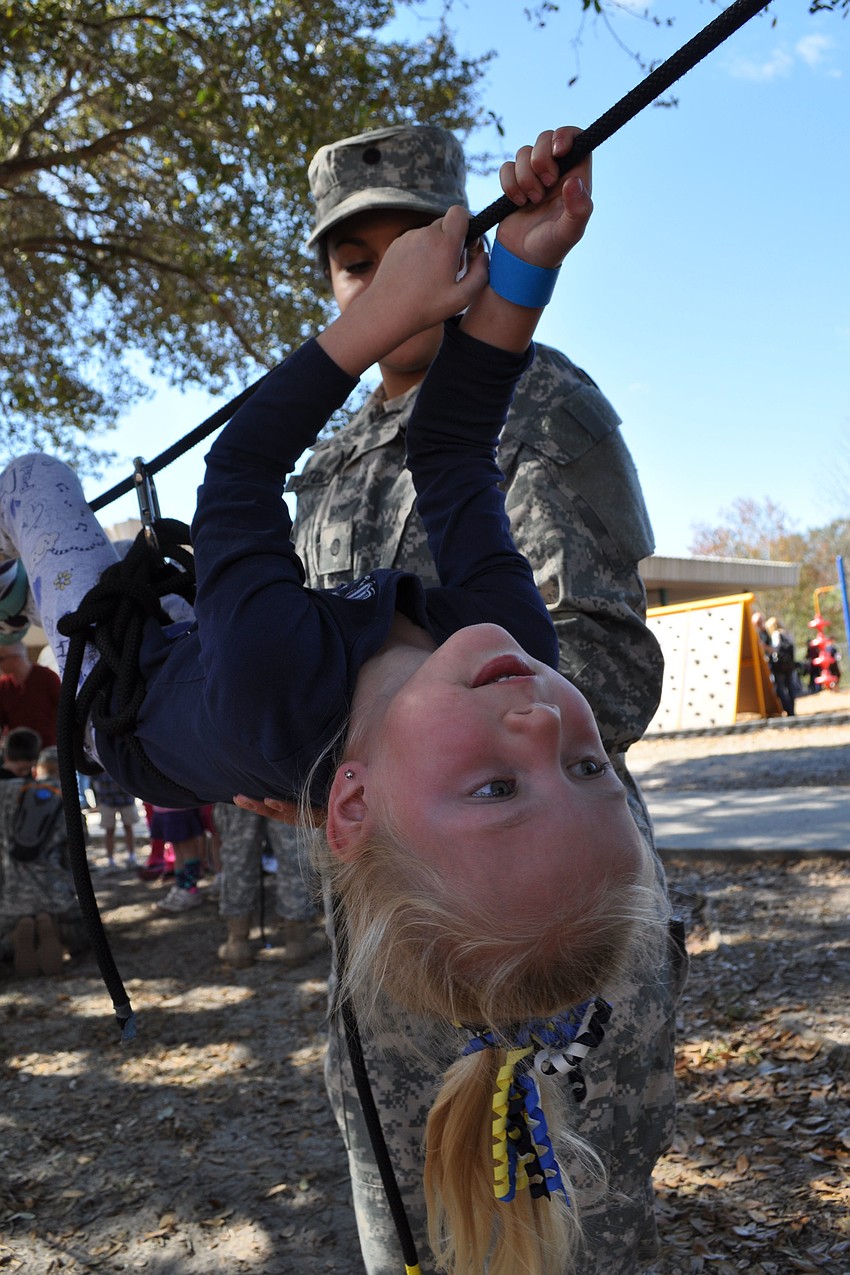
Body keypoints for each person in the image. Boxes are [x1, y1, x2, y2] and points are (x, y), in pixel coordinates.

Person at [0, 127, 665, 1274]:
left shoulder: (298, 684)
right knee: (412, 1210)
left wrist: (358, 333)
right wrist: (528, 270)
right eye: (584, 764)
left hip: (137, 688)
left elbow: (237, 474)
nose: (549, 724)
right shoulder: (500, 654)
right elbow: (454, 449)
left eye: (506, 779)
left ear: (357, 804)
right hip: (273, 711)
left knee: (33, 493)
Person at [282, 122, 684, 1275]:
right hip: (384, 937)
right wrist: (292, 764)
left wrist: (403, 723)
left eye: (410, 239)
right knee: (408, 1232)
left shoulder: (540, 405)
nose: (380, 276)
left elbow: (605, 672)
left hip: (535, 931)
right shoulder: (333, 457)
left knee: (569, 1249)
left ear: (467, 245)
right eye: (351, 263)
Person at [0, 745, 87, 975]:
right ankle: (52, 928)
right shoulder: (67, 799)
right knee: (79, 931)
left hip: (12, 896)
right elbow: (77, 854)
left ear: (37, 770)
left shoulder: (7, 792)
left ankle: (16, 933)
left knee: (9, 928)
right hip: (56, 894)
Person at [214, 801, 325, 968]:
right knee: (294, 851)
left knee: (237, 854)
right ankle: (296, 941)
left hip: (236, 780)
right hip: (283, 780)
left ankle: (238, 941)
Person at [0, 641, 60, 746]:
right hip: (17, 751)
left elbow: (63, 709)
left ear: (16, 659)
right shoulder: (3, 685)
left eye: (1, 659)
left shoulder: (47, 677)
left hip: (48, 748)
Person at [90, 769, 139, 872]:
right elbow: (92, 778)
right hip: (106, 800)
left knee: (128, 827)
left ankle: (132, 857)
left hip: (126, 798)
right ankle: (111, 860)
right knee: (109, 830)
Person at [765, 616, 796, 716]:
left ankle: (788, 710)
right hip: (789, 665)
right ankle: (792, 710)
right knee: (790, 687)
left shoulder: (776, 634)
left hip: (780, 666)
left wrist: (765, 648)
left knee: (781, 688)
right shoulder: (787, 633)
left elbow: (775, 649)